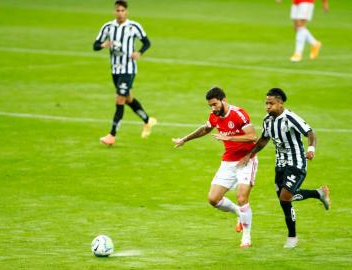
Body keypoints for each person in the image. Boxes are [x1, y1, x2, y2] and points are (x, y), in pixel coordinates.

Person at [238, 88, 330, 248]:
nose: (267, 106)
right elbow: (263, 139)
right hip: (280, 165)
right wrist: (249, 155)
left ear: (280, 103)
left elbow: (310, 132)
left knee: (285, 197)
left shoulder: (290, 118)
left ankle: (292, 237)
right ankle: (318, 193)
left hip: (296, 163)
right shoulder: (267, 120)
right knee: (285, 199)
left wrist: (311, 149)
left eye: (271, 103)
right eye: (266, 103)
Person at [172, 87, 259, 248]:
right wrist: (185, 139)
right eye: (210, 106)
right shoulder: (214, 116)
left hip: (246, 160)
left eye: (215, 104)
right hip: (228, 161)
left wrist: (229, 136)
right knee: (213, 199)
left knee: (241, 198)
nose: (213, 108)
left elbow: (252, 136)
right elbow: (205, 128)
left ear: (223, 100)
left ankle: (246, 237)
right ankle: (238, 213)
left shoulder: (238, 113)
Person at [93, 0, 157, 146]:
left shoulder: (134, 26)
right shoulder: (108, 27)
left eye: (122, 10)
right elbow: (95, 45)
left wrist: (139, 52)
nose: (120, 13)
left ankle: (112, 135)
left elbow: (147, 42)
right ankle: (148, 121)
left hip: (128, 69)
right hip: (115, 69)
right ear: (114, 11)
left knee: (119, 99)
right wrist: (104, 44)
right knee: (128, 98)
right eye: (118, 10)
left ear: (126, 12)